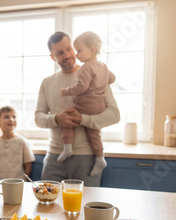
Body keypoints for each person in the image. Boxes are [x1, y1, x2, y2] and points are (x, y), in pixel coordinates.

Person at [35, 31, 120, 186]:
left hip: (87, 158)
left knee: (84, 208)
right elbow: (38, 117)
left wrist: (83, 119)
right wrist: (56, 119)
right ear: (53, 57)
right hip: (54, 156)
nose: (67, 55)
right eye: (60, 53)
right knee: (47, 205)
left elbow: (114, 115)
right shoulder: (47, 83)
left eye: (69, 49)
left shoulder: (96, 73)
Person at [58, 31, 116, 176]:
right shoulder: (103, 66)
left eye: (79, 51)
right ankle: (100, 157)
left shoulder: (86, 67)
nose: (77, 55)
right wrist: (102, 83)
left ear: (92, 49)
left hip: (86, 104)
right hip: (99, 105)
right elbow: (112, 78)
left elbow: (81, 87)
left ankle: (67, 147)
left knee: (67, 117)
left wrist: (66, 91)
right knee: (93, 133)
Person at [0, 106, 36, 179]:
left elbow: (28, 165)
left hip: (17, 182)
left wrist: (22, 181)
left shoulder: (22, 142)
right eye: (6, 117)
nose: (11, 119)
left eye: (14, 117)